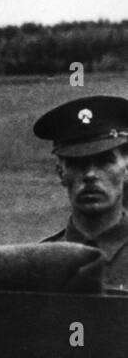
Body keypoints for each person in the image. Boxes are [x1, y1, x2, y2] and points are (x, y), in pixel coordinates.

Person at [34, 95, 128, 289]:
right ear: (61, 172)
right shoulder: (40, 261)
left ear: (126, 168)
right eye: (77, 163)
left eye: (105, 161)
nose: (90, 174)